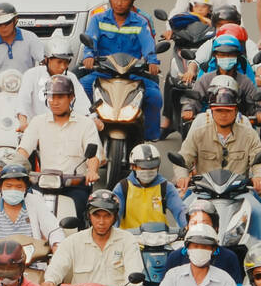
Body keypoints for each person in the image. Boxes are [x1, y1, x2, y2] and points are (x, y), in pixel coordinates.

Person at [43, 189, 143, 286]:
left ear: (115, 216)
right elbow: (57, 266)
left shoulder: (127, 240)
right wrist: (50, 281)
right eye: (96, 215)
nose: (101, 221)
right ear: (89, 215)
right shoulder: (73, 242)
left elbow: (134, 270)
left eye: (107, 216)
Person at [174, 87, 261, 242]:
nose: (223, 114)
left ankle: (255, 253)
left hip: (239, 193)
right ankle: (185, 249)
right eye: (219, 110)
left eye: (228, 110)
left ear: (236, 111)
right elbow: (183, 158)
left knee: (258, 213)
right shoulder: (199, 133)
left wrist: (259, 176)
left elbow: (259, 160)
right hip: (203, 192)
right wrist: (182, 177)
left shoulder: (249, 134)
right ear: (211, 111)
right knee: (183, 211)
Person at [80, 0, 163, 142]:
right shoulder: (98, 19)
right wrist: (89, 56)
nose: (119, 3)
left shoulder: (140, 22)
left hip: (134, 74)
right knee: (81, 88)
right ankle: (83, 134)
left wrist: (152, 61)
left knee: (154, 97)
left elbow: (147, 45)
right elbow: (91, 41)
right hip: (104, 72)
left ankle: (150, 141)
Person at [16, 74, 101, 222]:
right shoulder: (37, 122)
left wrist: (92, 171)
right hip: (42, 184)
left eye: (60, 97)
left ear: (71, 97)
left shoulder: (86, 124)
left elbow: (94, 156)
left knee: (78, 215)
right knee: (25, 214)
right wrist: (13, 165)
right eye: (51, 97)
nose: (54, 102)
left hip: (74, 186)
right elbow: (23, 150)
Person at [16, 32, 89, 131]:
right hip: (36, 130)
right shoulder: (31, 75)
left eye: (66, 62)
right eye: (59, 62)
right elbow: (23, 101)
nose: (63, 66)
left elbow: (81, 102)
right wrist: (23, 122)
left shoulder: (71, 77)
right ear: (46, 60)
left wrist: (91, 118)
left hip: (64, 130)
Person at [115, 142, 186, 231]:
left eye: (152, 167)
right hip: (131, 241)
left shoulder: (165, 187)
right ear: (133, 166)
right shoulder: (122, 187)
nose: (148, 171)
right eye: (143, 168)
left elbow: (180, 210)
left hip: (160, 240)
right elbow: (114, 215)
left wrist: (188, 225)